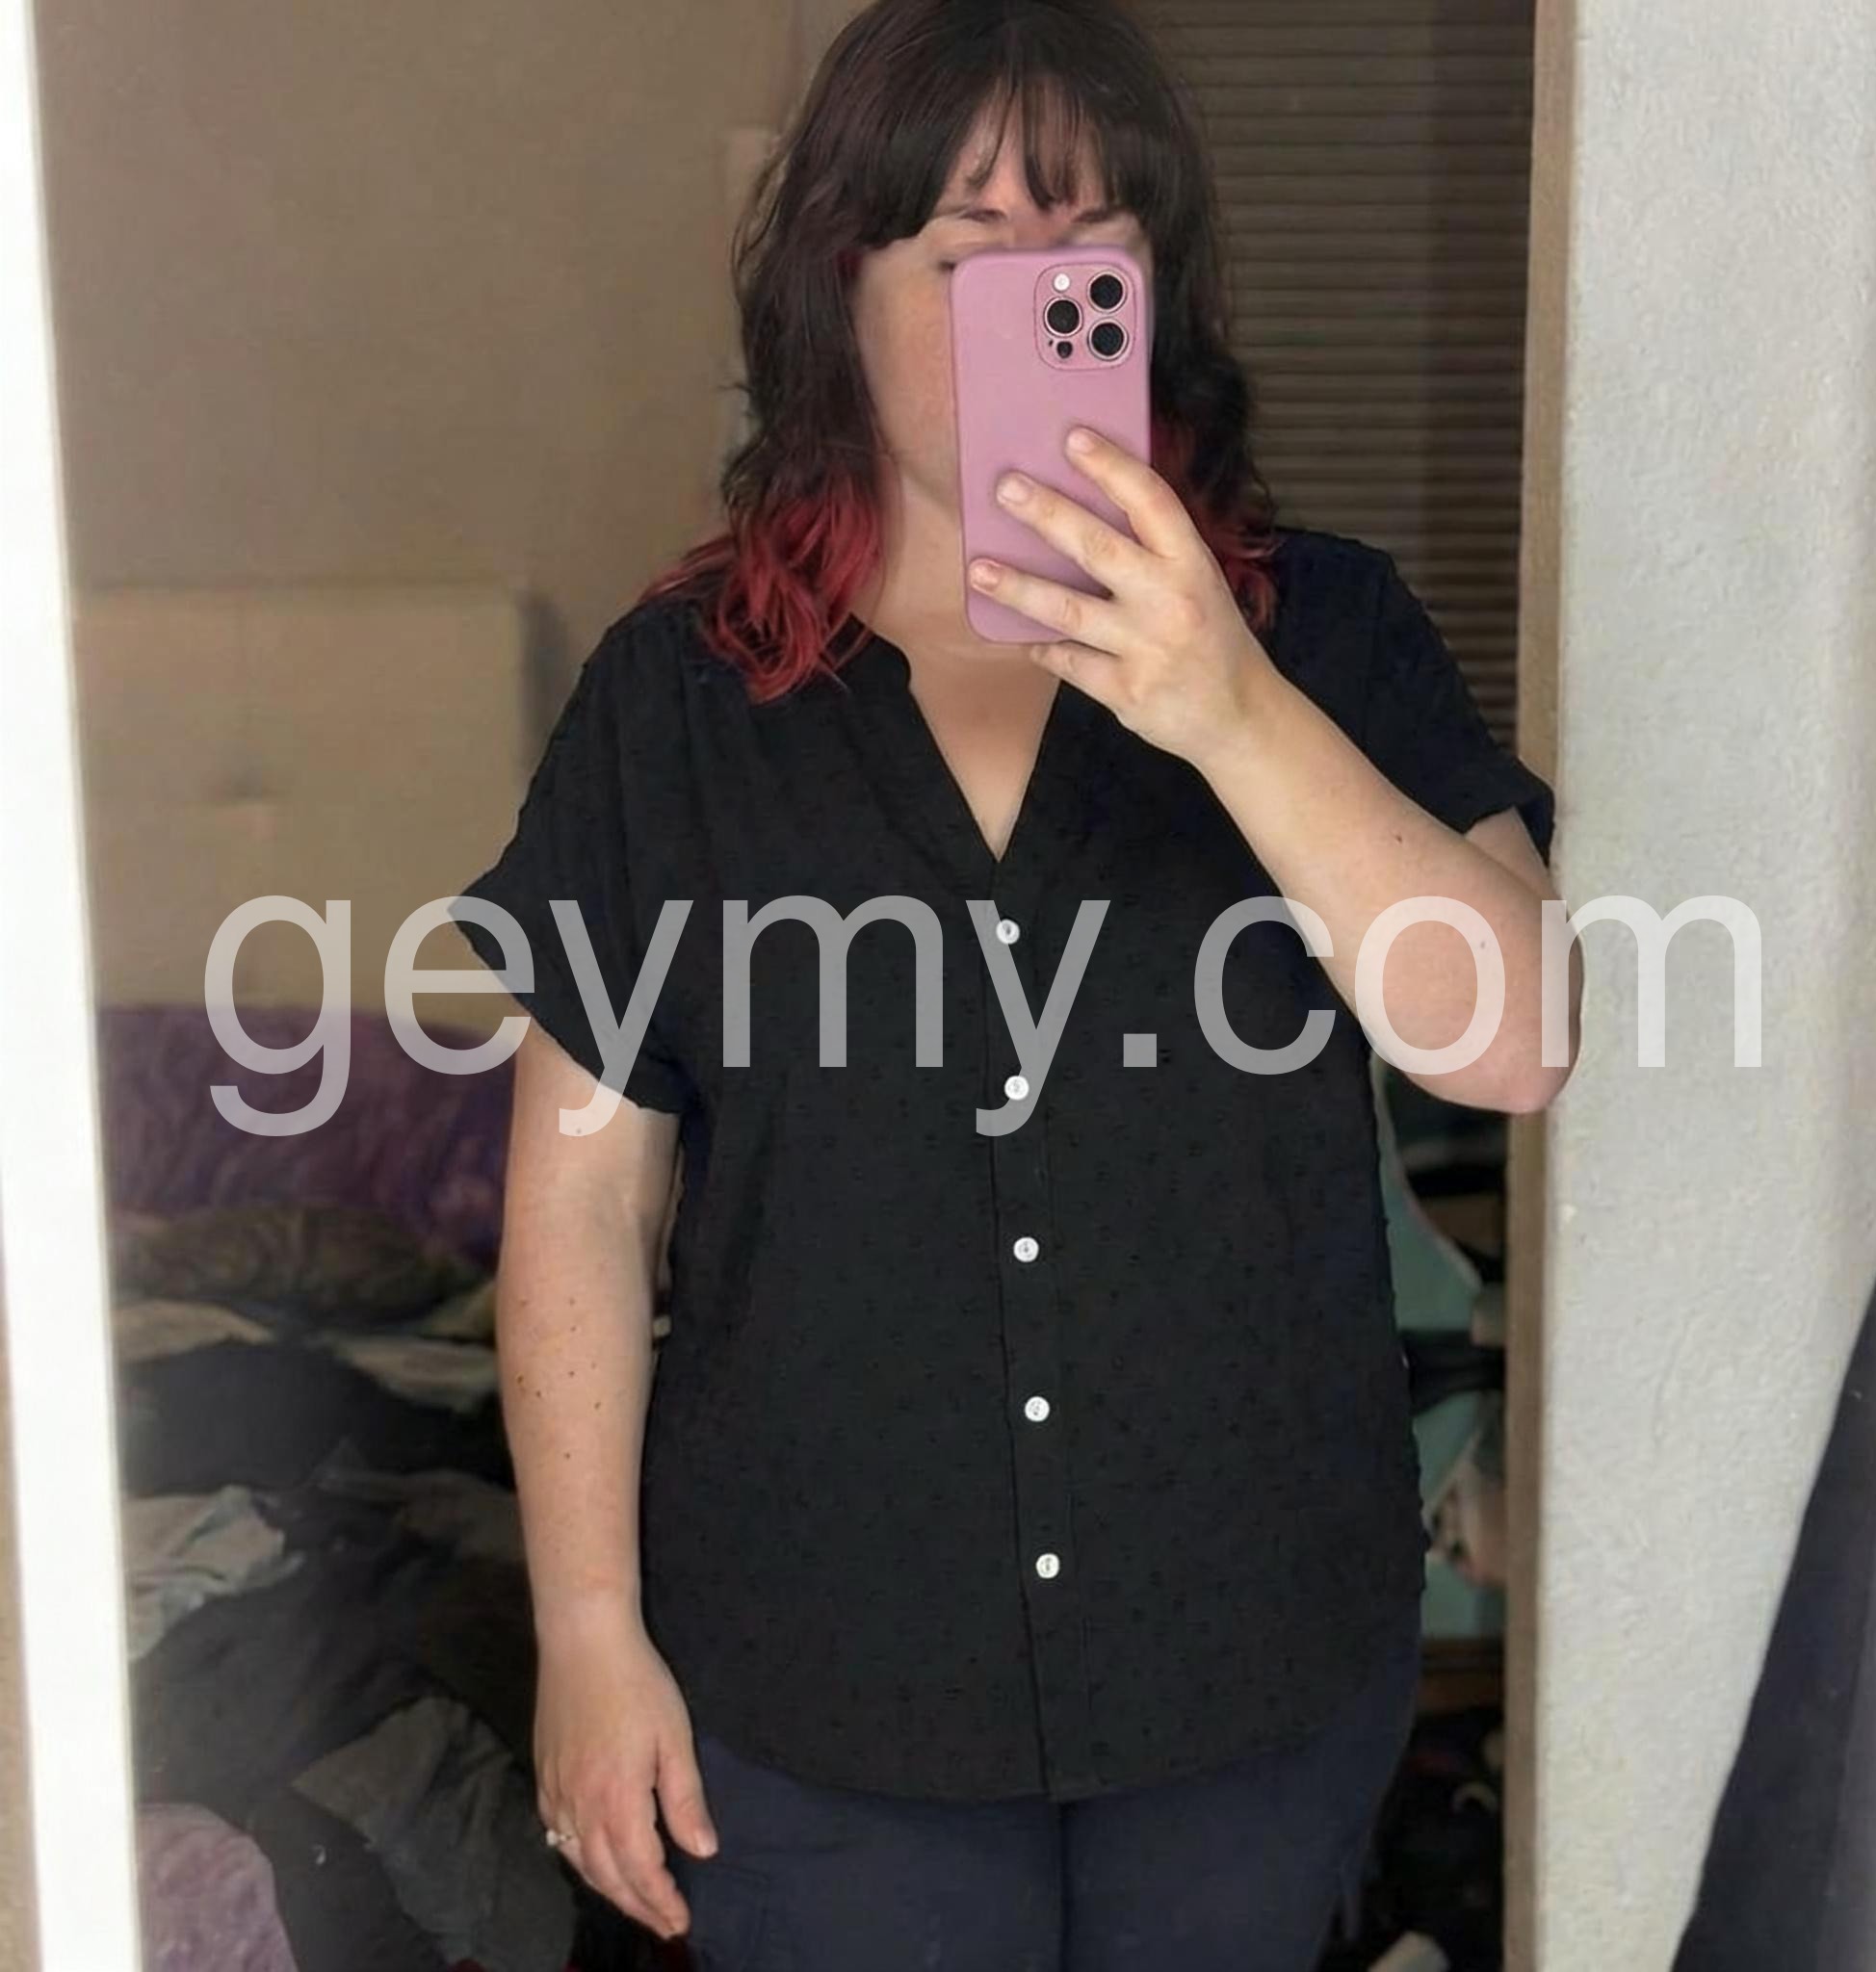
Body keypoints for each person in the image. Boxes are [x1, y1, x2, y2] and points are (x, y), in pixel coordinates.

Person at [453, 2, 1580, 1966]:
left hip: (1247, 1670)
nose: (1034, 300)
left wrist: (1232, 711)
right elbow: (581, 1196)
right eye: (971, 249)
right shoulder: (678, 702)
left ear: (1157, 291)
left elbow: (1511, 1038)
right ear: (843, 287)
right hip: (812, 1686)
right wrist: (587, 1629)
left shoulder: (1327, 633)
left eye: (1090, 249)